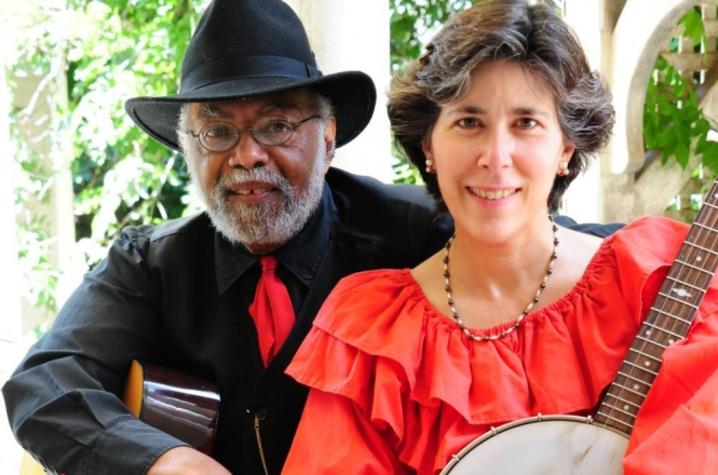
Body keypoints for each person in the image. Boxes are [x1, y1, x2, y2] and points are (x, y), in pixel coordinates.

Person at [2, 1, 453, 474]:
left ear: (327, 138)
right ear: (187, 149)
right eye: (217, 131)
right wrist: (163, 461)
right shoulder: (148, 264)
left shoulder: (420, 236)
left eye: (277, 126)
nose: (247, 155)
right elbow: (42, 386)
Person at [281, 1, 718, 474]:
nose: (496, 156)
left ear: (565, 147)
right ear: (429, 145)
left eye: (525, 123)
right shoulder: (371, 335)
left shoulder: (656, 281)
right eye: (469, 122)